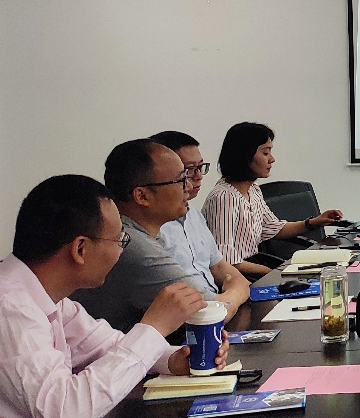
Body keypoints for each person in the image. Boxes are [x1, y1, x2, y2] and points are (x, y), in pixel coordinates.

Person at [0, 175, 228, 418]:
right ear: (80, 249)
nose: (121, 250)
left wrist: (175, 359)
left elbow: (106, 346)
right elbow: (64, 410)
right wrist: (154, 328)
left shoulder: (46, 297)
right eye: (120, 240)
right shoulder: (3, 308)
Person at [70, 139, 217, 333]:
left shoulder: (146, 234)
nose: (189, 187)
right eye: (181, 180)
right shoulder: (130, 245)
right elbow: (209, 313)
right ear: (142, 196)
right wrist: (238, 290)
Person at [203, 122, 343, 278]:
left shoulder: (253, 189)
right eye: (265, 153)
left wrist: (314, 222)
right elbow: (226, 260)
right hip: (235, 276)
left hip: (253, 265)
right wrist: (273, 273)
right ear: (244, 156)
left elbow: (274, 228)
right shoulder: (224, 198)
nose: (272, 159)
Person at [149, 130, 250, 321]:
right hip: (197, 319)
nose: (198, 177)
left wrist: (239, 288)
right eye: (188, 171)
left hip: (221, 306)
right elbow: (206, 311)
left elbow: (219, 266)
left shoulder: (194, 214)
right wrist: (236, 293)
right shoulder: (152, 230)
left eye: (200, 167)